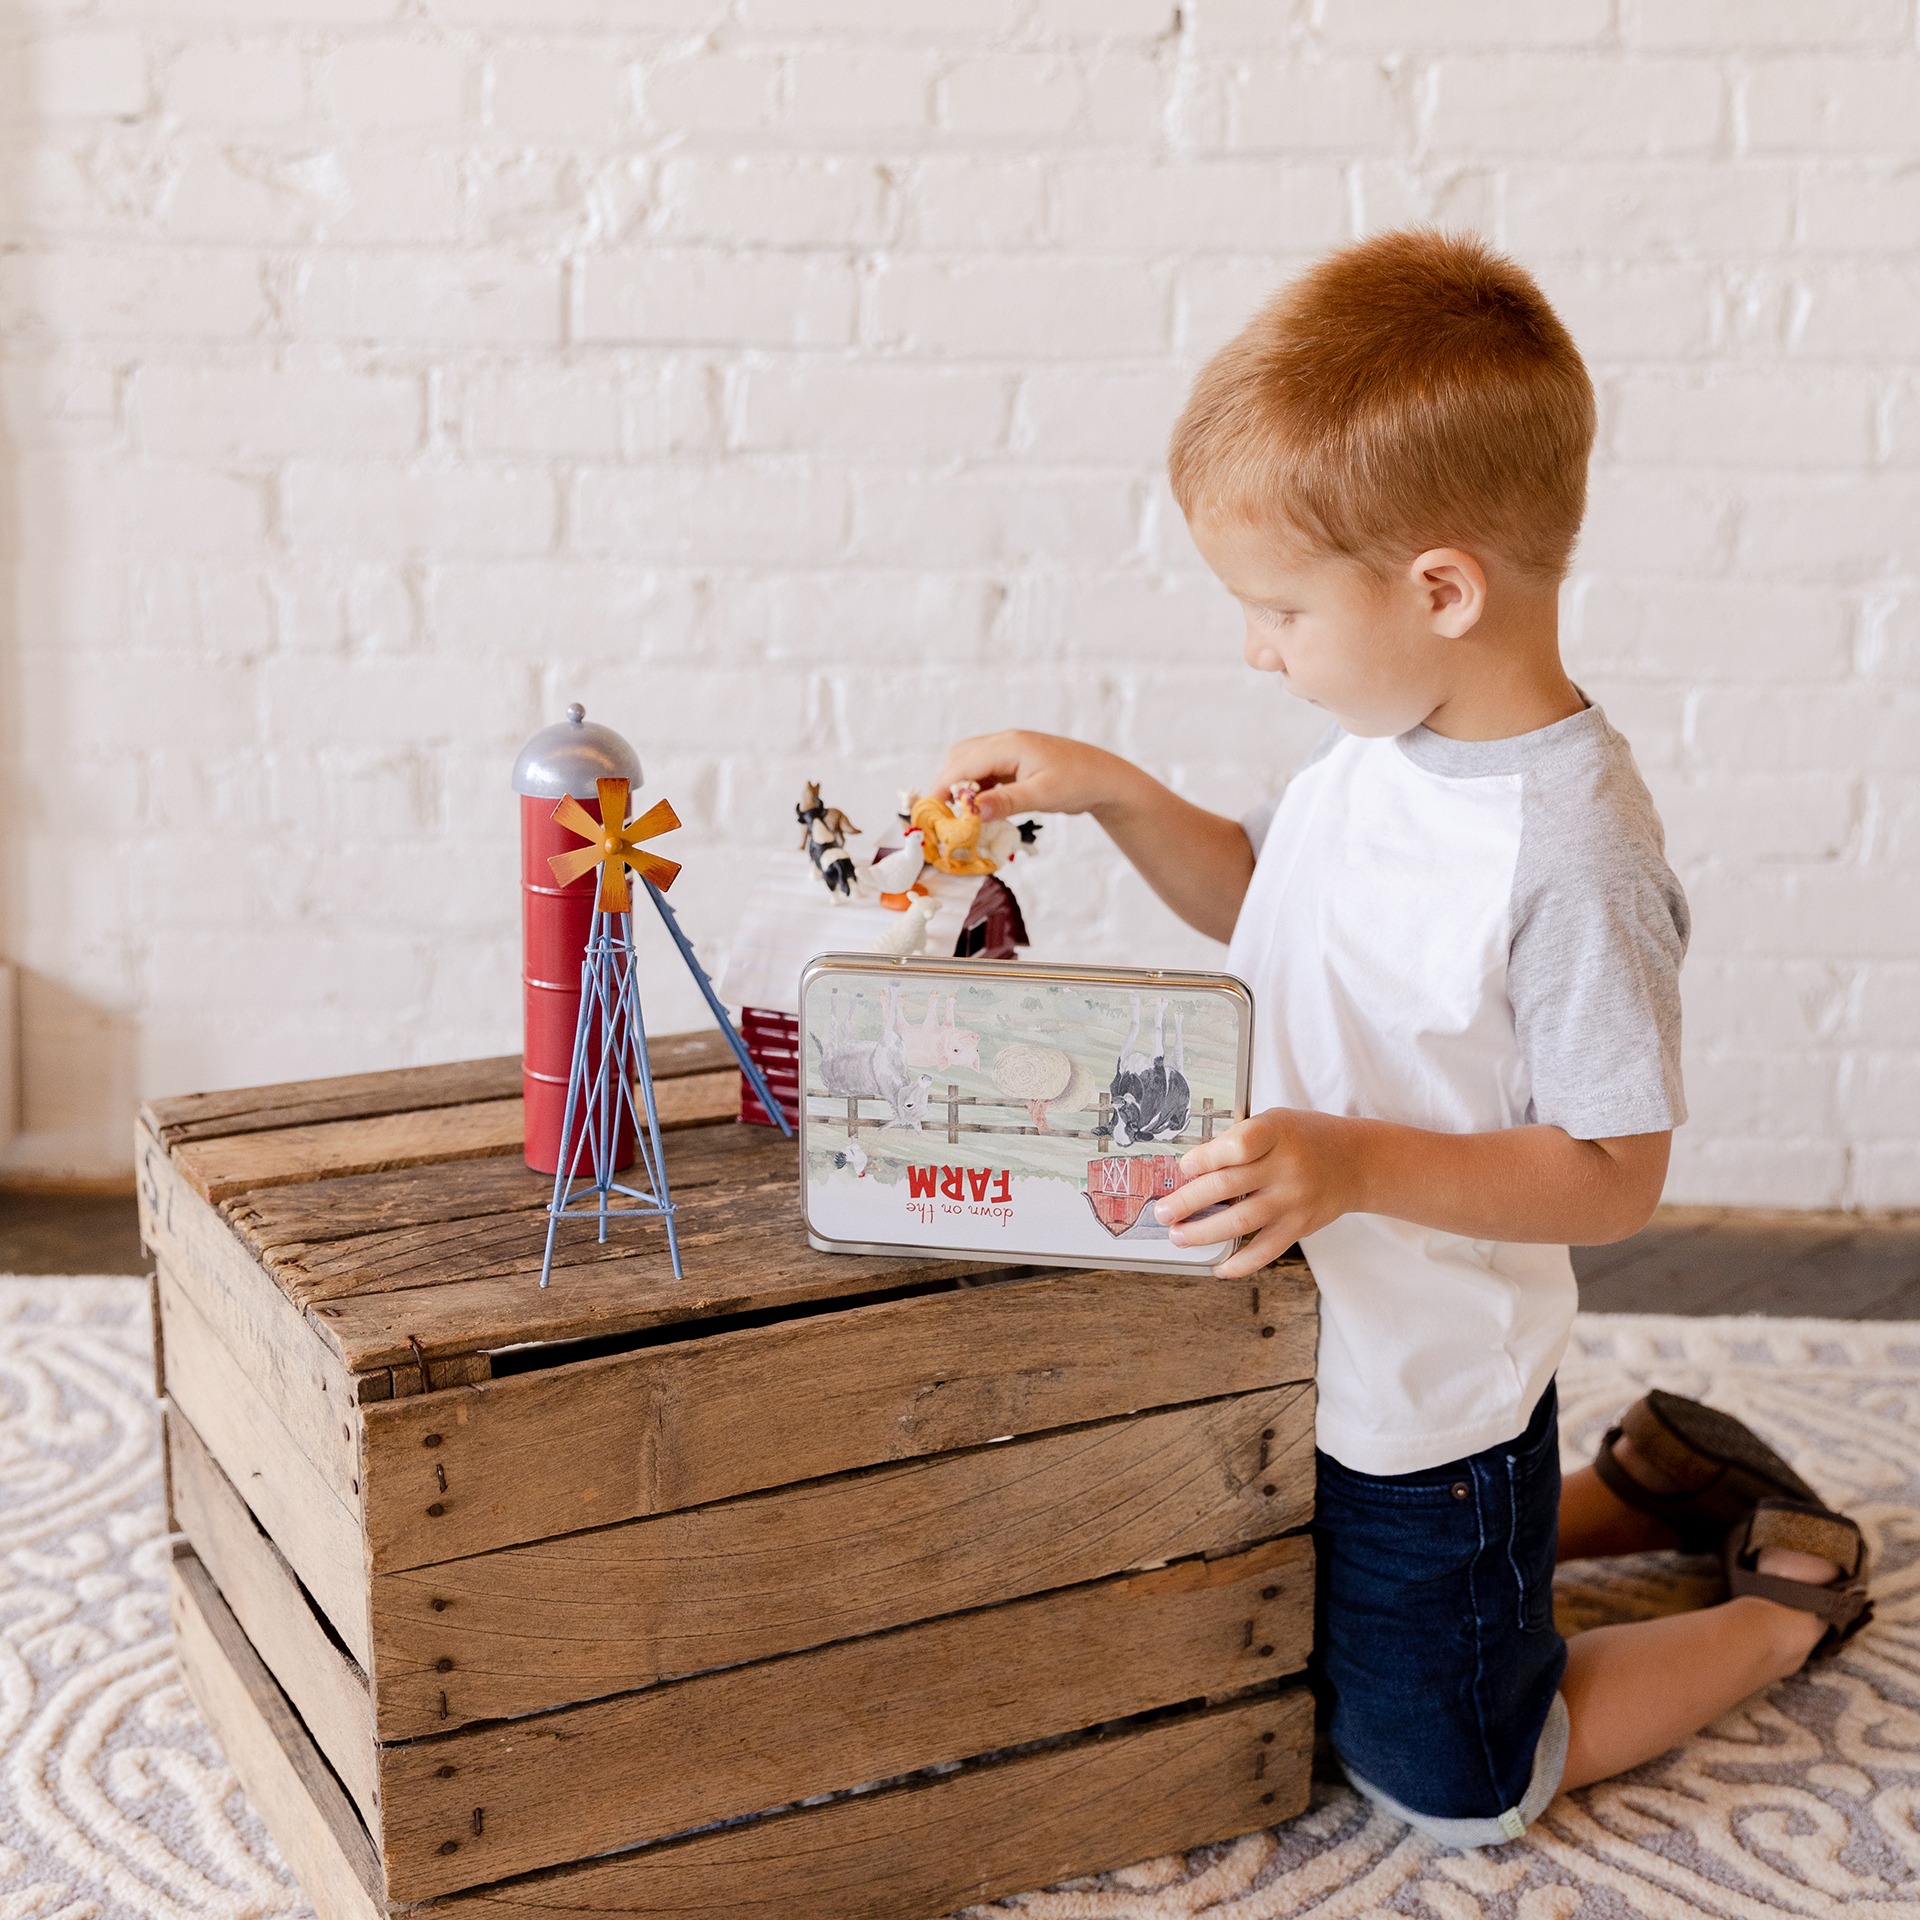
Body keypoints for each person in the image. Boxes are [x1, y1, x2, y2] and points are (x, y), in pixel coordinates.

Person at [928, 229, 1872, 1847]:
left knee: (1450, 1775)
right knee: (1304, 1620)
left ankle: (1785, 1606)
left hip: (1428, 1395)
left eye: (1278, 607)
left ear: (1441, 589)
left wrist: (1354, 1163)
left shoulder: (1573, 851)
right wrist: (1121, 791)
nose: (1256, 646)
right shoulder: (1381, 743)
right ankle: (1636, 1490)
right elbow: (1264, 909)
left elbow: (1612, 1172)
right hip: (1309, 1329)